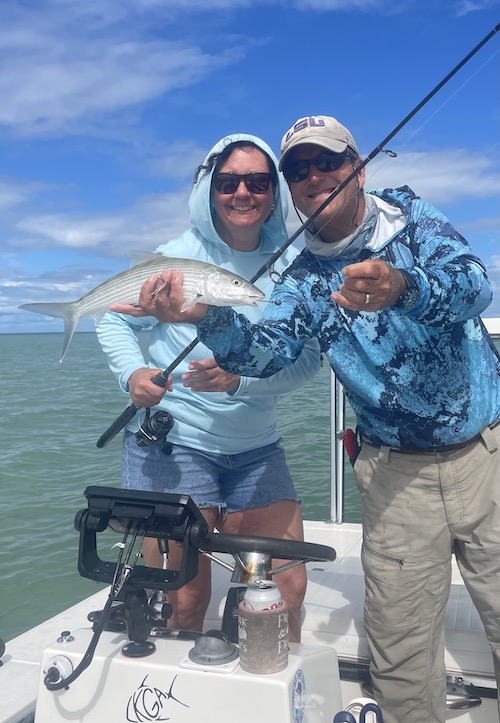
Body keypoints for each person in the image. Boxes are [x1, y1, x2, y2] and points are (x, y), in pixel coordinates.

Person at [151, 116, 500, 723]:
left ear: (357, 168)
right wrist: (206, 317)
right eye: (297, 169)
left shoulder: (411, 219)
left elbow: (474, 286)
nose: (314, 176)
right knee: (400, 657)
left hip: (486, 456)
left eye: (328, 161)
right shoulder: (301, 278)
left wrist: (402, 287)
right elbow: (267, 352)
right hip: (394, 478)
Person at [96, 132, 321, 642]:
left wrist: (242, 381)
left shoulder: (293, 266)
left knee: (286, 588)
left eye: (258, 181)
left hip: (257, 447)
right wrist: (133, 374)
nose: (243, 193)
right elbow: (115, 320)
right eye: (228, 182)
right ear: (209, 189)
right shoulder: (175, 256)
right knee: (185, 599)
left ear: (275, 191)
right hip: (175, 444)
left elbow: (308, 360)